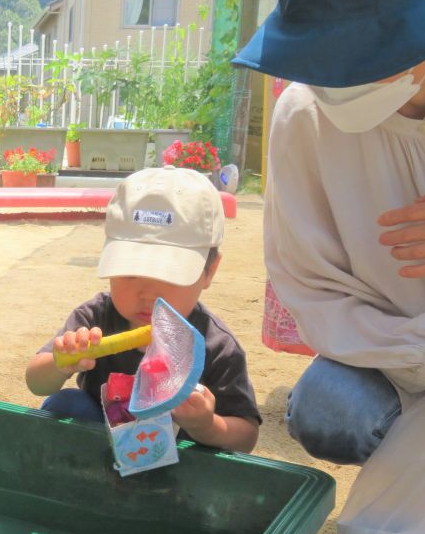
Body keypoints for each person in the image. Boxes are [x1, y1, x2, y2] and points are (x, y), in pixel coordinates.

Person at [233, 0, 425, 465]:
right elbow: (310, 288)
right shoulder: (302, 118)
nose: (339, 75)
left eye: (365, 51)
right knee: (330, 409)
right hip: (394, 352)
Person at [25, 166, 261, 453]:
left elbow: (246, 436)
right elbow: (36, 381)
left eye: (170, 275)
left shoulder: (217, 345)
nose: (147, 293)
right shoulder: (96, 318)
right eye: (130, 272)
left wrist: (206, 425)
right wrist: (61, 362)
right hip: (100, 445)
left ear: (209, 271)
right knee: (65, 404)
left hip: (179, 461)